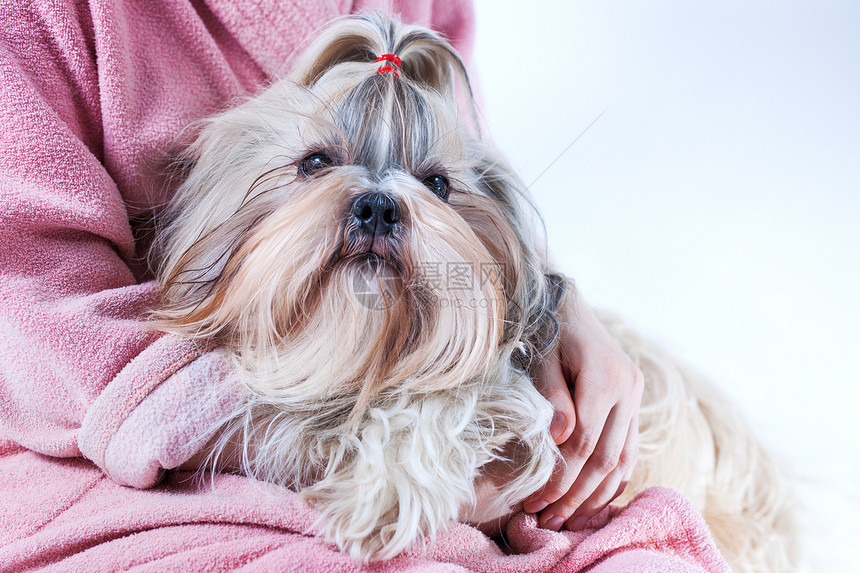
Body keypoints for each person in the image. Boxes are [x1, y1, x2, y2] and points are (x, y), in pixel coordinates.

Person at [0, 0, 641, 546]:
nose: (378, 204)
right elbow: (28, 320)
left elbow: (465, 142)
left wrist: (555, 302)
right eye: (315, 166)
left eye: (434, 185)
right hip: (101, 457)